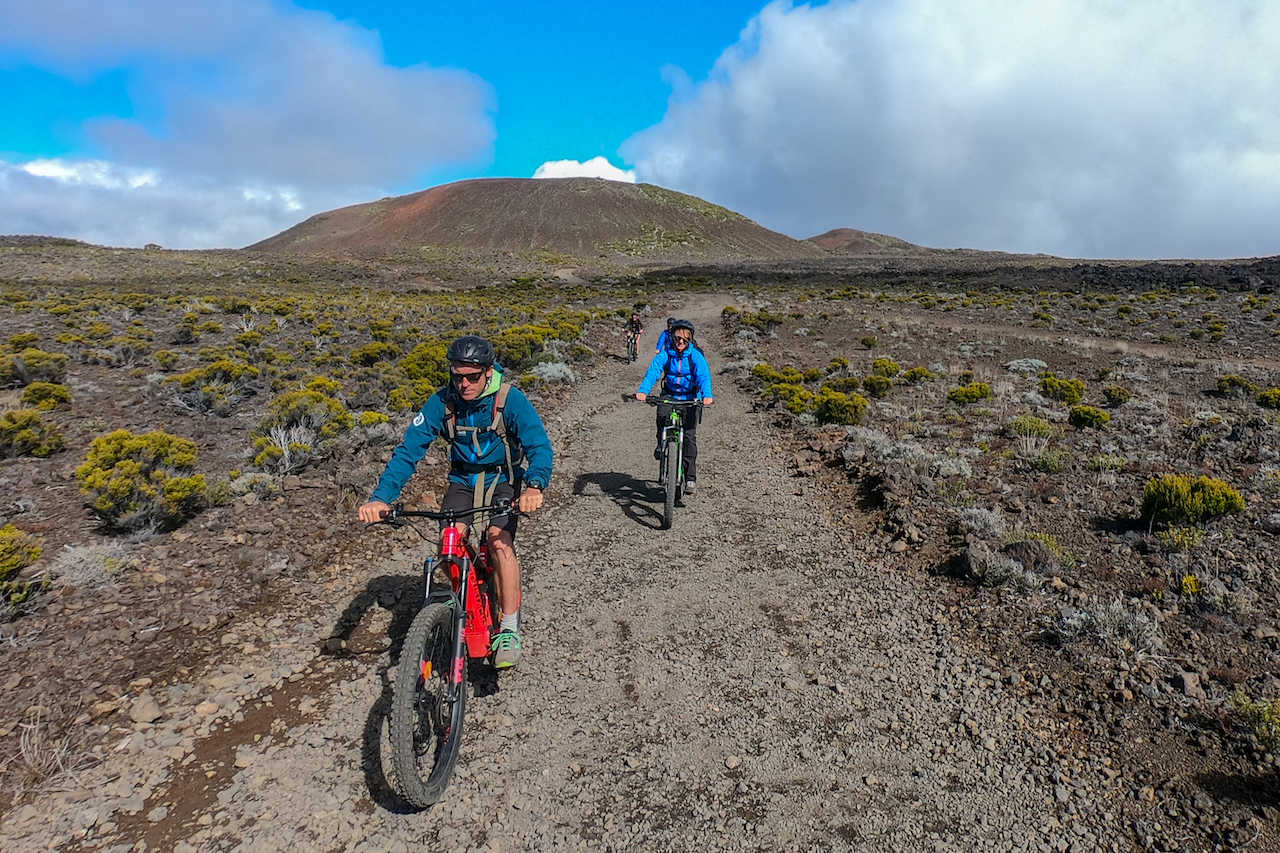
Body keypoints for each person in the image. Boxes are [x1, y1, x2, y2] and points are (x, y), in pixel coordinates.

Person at [357, 335, 552, 668]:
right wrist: (382, 498)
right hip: (463, 479)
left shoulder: (510, 399)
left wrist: (533, 486)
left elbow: (539, 446)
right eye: (457, 376)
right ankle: (461, 604)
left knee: (498, 540)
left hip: (503, 478)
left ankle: (509, 627)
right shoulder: (442, 402)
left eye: (472, 377)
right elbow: (408, 452)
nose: (463, 384)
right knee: (450, 544)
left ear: (488, 372)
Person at [635, 319, 713, 492]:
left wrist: (707, 395)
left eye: (685, 339)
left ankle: (690, 477)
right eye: (678, 338)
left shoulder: (695, 356)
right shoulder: (666, 354)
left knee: (690, 438)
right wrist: (643, 391)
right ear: (672, 337)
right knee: (662, 417)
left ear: (690, 339)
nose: (681, 342)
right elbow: (653, 372)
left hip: (690, 397)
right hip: (670, 395)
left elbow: (703, 376)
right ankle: (660, 442)